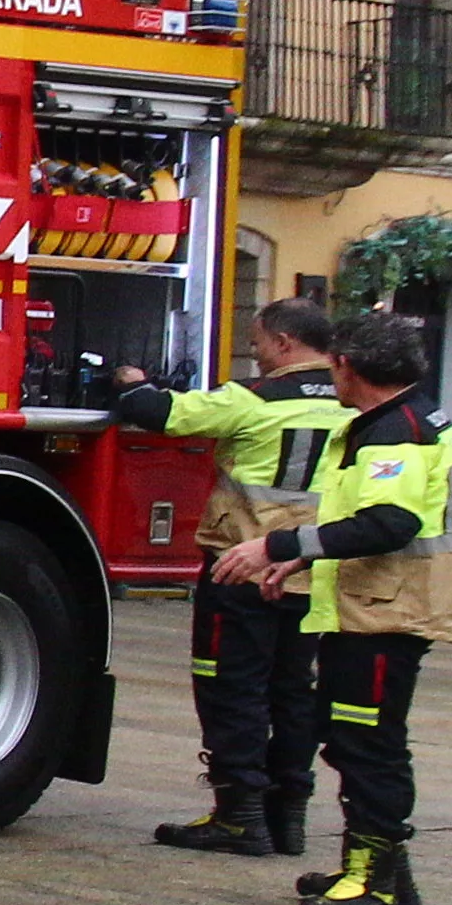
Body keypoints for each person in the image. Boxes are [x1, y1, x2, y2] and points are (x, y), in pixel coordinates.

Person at [206, 305, 452, 905]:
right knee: (358, 737)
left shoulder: (395, 431)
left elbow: (389, 521)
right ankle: (380, 870)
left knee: (367, 745)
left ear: (346, 367)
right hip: (377, 606)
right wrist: (300, 565)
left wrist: (277, 547)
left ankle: (372, 883)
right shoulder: (401, 417)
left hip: (386, 612)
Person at [107, 297, 347, 856]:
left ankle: (239, 814)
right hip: (315, 571)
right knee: (292, 692)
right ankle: (288, 816)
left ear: (284, 343)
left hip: (244, 568)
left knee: (232, 689)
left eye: (260, 341)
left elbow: (158, 412)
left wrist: (129, 379)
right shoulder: (351, 401)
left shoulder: (254, 399)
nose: (257, 353)